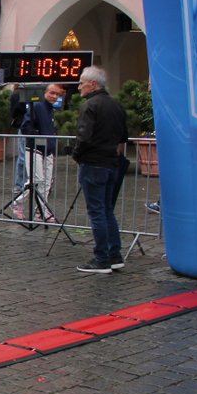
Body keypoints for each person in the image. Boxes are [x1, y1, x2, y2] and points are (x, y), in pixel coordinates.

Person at [72, 65, 128, 273]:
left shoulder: (90, 106)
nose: (79, 87)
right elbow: (123, 137)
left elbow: (84, 137)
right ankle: (114, 255)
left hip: (93, 163)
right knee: (106, 211)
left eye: (81, 83)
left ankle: (102, 258)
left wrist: (76, 155)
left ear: (93, 84)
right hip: (111, 163)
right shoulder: (116, 105)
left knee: (97, 212)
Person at [12, 84, 63, 222]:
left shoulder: (51, 109)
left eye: (57, 94)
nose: (54, 96)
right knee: (36, 180)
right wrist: (36, 137)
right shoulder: (37, 105)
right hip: (35, 148)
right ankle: (18, 202)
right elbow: (26, 127)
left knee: (46, 182)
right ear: (45, 92)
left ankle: (40, 211)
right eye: (52, 93)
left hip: (48, 149)